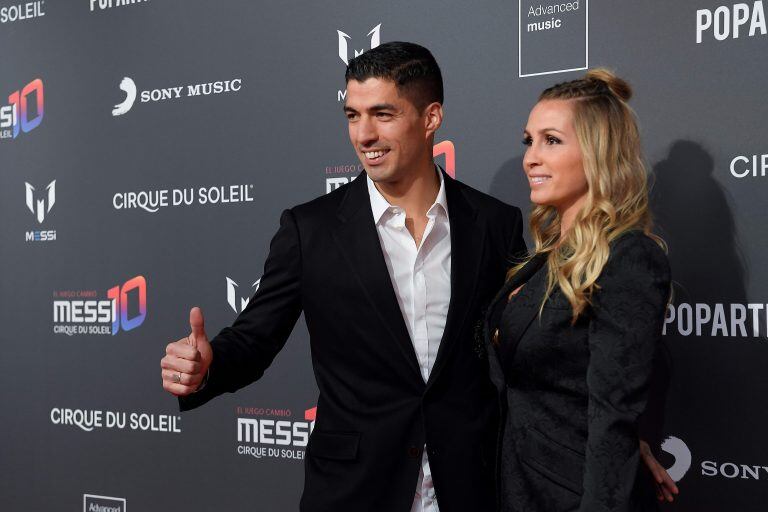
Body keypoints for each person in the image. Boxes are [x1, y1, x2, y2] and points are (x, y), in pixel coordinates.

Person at [161, 43, 675, 511]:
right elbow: (255, 338)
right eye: (353, 115)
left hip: (475, 486)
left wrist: (617, 444)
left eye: (383, 114)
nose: (364, 134)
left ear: (431, 117)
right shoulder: (310, 229)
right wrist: (209, 366)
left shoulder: (494, 224)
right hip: (357, 490)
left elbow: (543, 351)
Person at [485, 69, 674, 511]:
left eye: (551, 140)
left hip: (571, 495)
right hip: (514, 487)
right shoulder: (542, 258)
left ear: (597, 152)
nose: (531, 157)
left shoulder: (628, 258)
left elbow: (612, 413)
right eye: (528, 141)